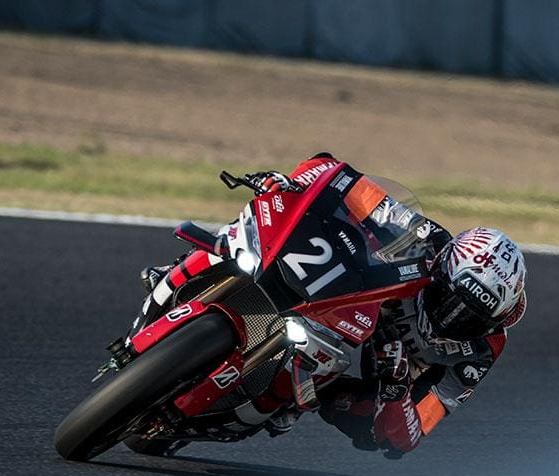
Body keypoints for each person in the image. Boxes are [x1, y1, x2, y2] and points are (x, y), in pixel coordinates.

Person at [140, 154, 527, 460]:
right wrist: (292, 184)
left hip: (388, 366)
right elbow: (337, 175)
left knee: (372, 432)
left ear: (498, 319)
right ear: (441, 268)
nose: (450, 319)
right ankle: (183, 272)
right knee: (252, 234)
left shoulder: (482, 351)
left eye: (470, 318)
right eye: (449, 301)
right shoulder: (424, 237)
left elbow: (413, 433)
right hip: (355, 301)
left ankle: (283, 402)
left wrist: (395, 388)